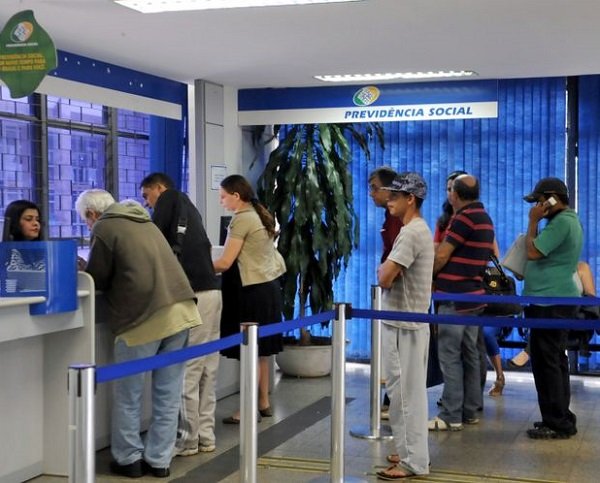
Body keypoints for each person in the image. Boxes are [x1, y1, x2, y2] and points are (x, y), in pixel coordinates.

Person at [76, 189, 201, 478]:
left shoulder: (105, 227)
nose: (88, 226)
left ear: (92, 214)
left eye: (85, 220)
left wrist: (83, 269)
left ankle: (128, 459)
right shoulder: (145, 222)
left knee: (129, 394)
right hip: (180, 311)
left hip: (142, 317)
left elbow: (97, 278)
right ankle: (159, 461)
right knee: (168, 393)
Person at [140, 172, 222, 456]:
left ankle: (187, 438)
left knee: (188, 368)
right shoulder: (189, 206)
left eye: (147, 196)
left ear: (159, 188)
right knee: (207, 368)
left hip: (193, 294)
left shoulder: (170, 198)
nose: (148, 203)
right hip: (212, 291)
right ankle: (206, 436)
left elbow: (156, 242)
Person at [213, 174, 286, 424]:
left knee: (250, 353)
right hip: (268, 289)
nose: (221, 201)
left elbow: (225, 262)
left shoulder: (242, 219)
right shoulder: (259, 214)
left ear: (236, 196)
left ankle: (246, 410)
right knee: (261, 351)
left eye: (223, 196)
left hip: (251, 292)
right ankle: (263, 402)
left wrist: (195, 269)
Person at [376, 172, 433, 480]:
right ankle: (408, 449)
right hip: (409, 322)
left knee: (404, 396)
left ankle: (413, 461)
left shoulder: (411, 233)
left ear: (411, 199)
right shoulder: (415, 229)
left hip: (404, 324)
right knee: (405, 393)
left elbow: (385, 277)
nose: (389, 200)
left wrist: (382, 270)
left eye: (395, 196)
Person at [429, 174, 495, 431]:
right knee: (471, 355)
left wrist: (429, 276)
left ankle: (450, 415)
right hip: (474, 297)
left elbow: (442, 255)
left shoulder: (463, 218)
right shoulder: (485, 218)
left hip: (454, 298)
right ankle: (470, 411)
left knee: (450, 357)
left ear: (455, 195)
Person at [521, 177, 582, 439]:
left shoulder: (562, 222)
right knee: (554, 361)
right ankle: (558, 416)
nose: (536, 207)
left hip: (550, 301)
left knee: (548, 363)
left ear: (552, 199)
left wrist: (532, 222)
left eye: (539, 201)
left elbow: (534, 252)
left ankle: (557, 422)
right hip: (551, 299)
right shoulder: (567, 221)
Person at [510, 260, 597, 368]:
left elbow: (590, 298)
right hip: (550, 316)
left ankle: (528, 352)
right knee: (547, 317)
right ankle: (533, 353)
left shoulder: (581, 267)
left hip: (575, 319)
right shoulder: (546, 268)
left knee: (551, 324)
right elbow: (520, 275)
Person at [368, 166, 403, 420]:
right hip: (391, 290)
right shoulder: (390, 218)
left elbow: (397, 257)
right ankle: (391, 401)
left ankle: (395, 403)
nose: (371, 194)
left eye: (374, 188)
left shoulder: (399, 221)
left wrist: (386, 277)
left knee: (397, 352)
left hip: (400, 294)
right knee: (392, 351)